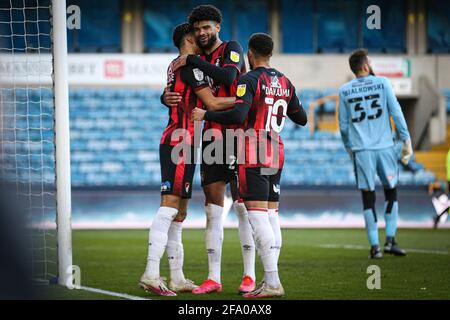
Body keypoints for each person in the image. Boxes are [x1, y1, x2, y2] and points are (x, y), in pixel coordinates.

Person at [192, 33, 307, 298]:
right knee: (272, 217)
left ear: (250, 54)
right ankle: (270, 278)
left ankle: (272, 283)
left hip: (253, 152)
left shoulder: (249, 80)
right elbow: (300, 117)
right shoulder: (285, 82)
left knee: (257, 218)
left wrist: (206, 114)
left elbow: (239, 114)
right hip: (276, 153)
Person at [164, 5, 256, 294]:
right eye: (198, 28)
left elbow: (229, 79)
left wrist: (191, 58)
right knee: (213, 209)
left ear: (218, 26)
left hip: (239, 135)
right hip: (211, 137)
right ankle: (214, 278)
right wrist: (164, 96)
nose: (202, 32)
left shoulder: (232, 48)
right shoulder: (197, 59)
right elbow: (185, 89)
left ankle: (250, 275)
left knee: (242, 206)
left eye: (207, 27)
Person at [139, 23, 235, 297]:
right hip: (180, 140)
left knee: (180, 212)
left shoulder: (174, 65)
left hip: (183, 140)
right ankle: (151, 273)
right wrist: (246, 98)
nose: (202, 37)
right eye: (197, 34)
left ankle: (177, 277)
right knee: (170, 206)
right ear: (188, 38)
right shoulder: (191, 67)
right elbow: (213, 103)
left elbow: (176, 96)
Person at [338, 48, 413, 259]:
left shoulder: (344, 90)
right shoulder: (383, 83)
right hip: (384, 147)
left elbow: (343, 126)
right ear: (365, 66)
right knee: (391, 190)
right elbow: (396, 113)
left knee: (367, 197)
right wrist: (406, 140)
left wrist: (349, 148)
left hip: (362, 150)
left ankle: (375, 248)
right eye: (369, 62)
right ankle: (390, 241)